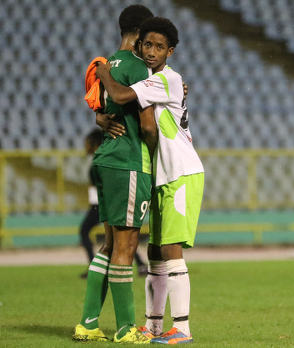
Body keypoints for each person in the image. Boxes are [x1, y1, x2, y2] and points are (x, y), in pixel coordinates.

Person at [96, 17, 204, 344]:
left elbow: (120, 96)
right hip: (162, 175)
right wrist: (101, 117)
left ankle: (182, 328)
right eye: (148, 45)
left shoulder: (165, 79)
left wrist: (102, 71)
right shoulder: (153, 79)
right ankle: (153, 325)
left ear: (170, 51)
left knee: (170, 249)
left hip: (180, 172)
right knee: (155, 251)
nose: (152, 51)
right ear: (139, 46)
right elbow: (121, 106)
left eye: (159, 47)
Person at [73, 4, 157, 344]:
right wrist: (154, 149)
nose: (151, 46)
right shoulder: (139, 68)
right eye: (149, 39)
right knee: (126, 246)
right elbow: (148, 125)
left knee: (108, 245)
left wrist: (102, 120)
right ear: (139, 35)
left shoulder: (106, 63)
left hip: (105, 159)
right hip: (128, 161)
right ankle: (126, 329)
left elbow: (99, 109)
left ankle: (88, 323)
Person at [79, 128, 148, 279]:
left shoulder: (99, 161)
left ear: (94, 142)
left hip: (101, 205)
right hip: (104, 204)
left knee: (97, 233)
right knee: (119, 236)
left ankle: (95, 267)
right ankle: (141, 264)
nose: (85, 146)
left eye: (87, 143)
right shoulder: (104, 158)